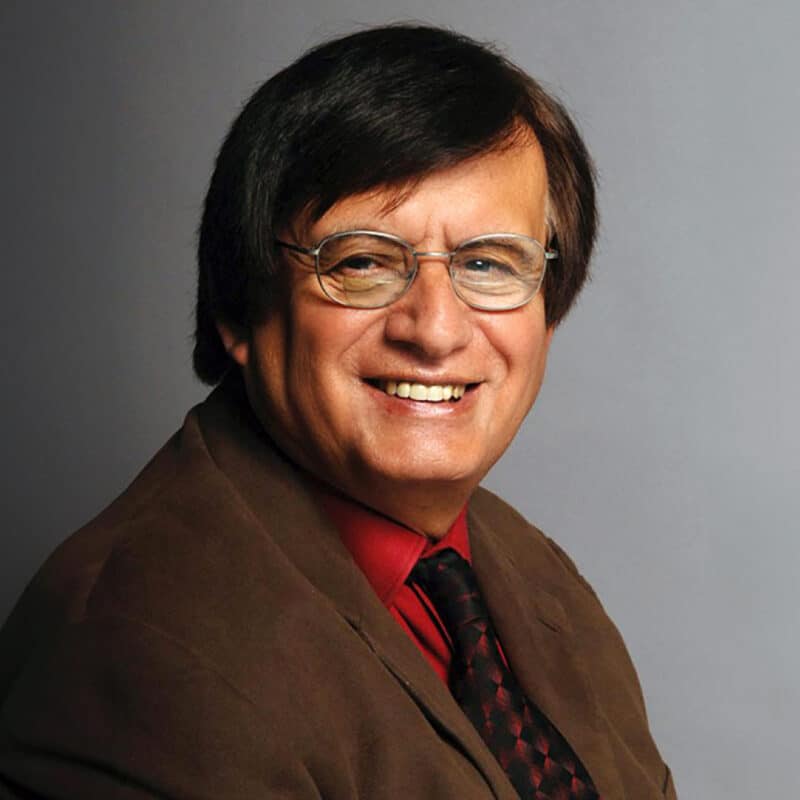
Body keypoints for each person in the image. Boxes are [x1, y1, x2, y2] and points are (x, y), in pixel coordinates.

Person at [0, 24, 676, 800]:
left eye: (487, 263)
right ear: (239, 305)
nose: (436, 328)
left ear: (547, 309)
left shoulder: (532, 575)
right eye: (361, 262)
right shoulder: (141, 653)